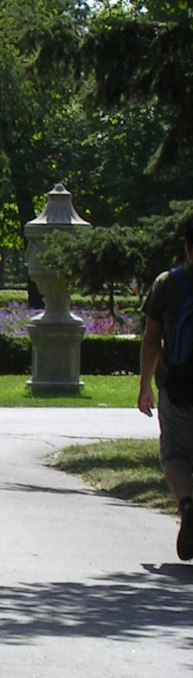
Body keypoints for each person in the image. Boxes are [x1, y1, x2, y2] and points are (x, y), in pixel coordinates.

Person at [138, 214, 193, 561]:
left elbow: (151, 339)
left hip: (179, 387)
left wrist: (145, 386)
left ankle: (187, 505)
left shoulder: (167, 284)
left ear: (187, 247)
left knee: (174, 455)